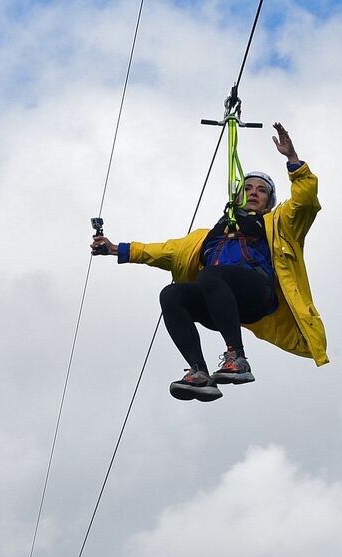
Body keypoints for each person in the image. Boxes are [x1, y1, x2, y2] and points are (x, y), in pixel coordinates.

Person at [90, 122, 326, 402]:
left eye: (261, 190)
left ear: (269, 202)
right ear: (236, 197)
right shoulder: (207, 238)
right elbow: (164, 251)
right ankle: (199, 373)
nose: (253, 193)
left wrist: (292, 159)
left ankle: (236, 357)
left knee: (211, 276)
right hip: (220, 302)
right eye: (247, 188)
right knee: (172, 294)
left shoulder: (278, 223)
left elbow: (305, 202)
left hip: (256, 295)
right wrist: (116, 249)